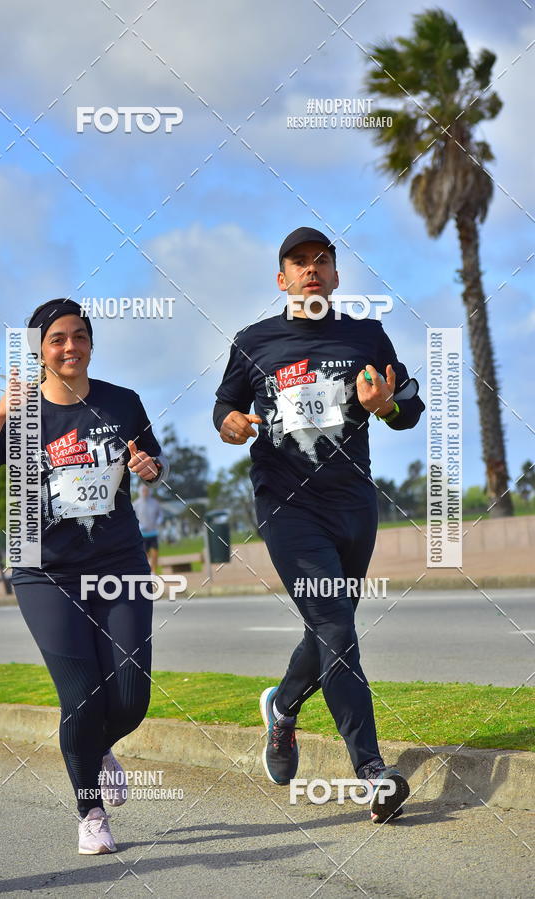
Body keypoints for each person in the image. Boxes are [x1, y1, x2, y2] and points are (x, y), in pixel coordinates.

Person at [213, 227, 425, 823]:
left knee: (332, 626)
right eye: (299, 263)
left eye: (322, 262)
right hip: (286, 506)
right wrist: (230, 423)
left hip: (353, 504)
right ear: (282, 279)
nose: (311, 270)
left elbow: (409, 408)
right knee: (335, 620)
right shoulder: (254, 342)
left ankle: (282, 708)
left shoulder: (366, 335)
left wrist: (387, 405)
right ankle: (372, 773)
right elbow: (223, 406)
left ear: (336, 276)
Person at [0, 298, 169, 854]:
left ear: (91, 344)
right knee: (80, 695)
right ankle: (90, 812)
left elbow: (151, 462)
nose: (69, 347)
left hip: (119, 564)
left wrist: (149, 468)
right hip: (43, 571)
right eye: (56, 339)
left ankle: (96, 748)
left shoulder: (123, 402)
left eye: (79, 336)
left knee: (130, 697)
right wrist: (1, 410)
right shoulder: (22, 416)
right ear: (39, 352)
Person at [133, 484, 163, 573]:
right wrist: (139, 526)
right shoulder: (136, 504)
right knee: (145, 555)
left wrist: (159, 521)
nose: (145, 492)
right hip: (142, 534)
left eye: (146, 490)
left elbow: (160, 514)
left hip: (153, 532)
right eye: (143, 490)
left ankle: (154, 571)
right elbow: (132, 517)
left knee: (155, 553)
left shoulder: (154, 502)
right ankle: (147, 571)